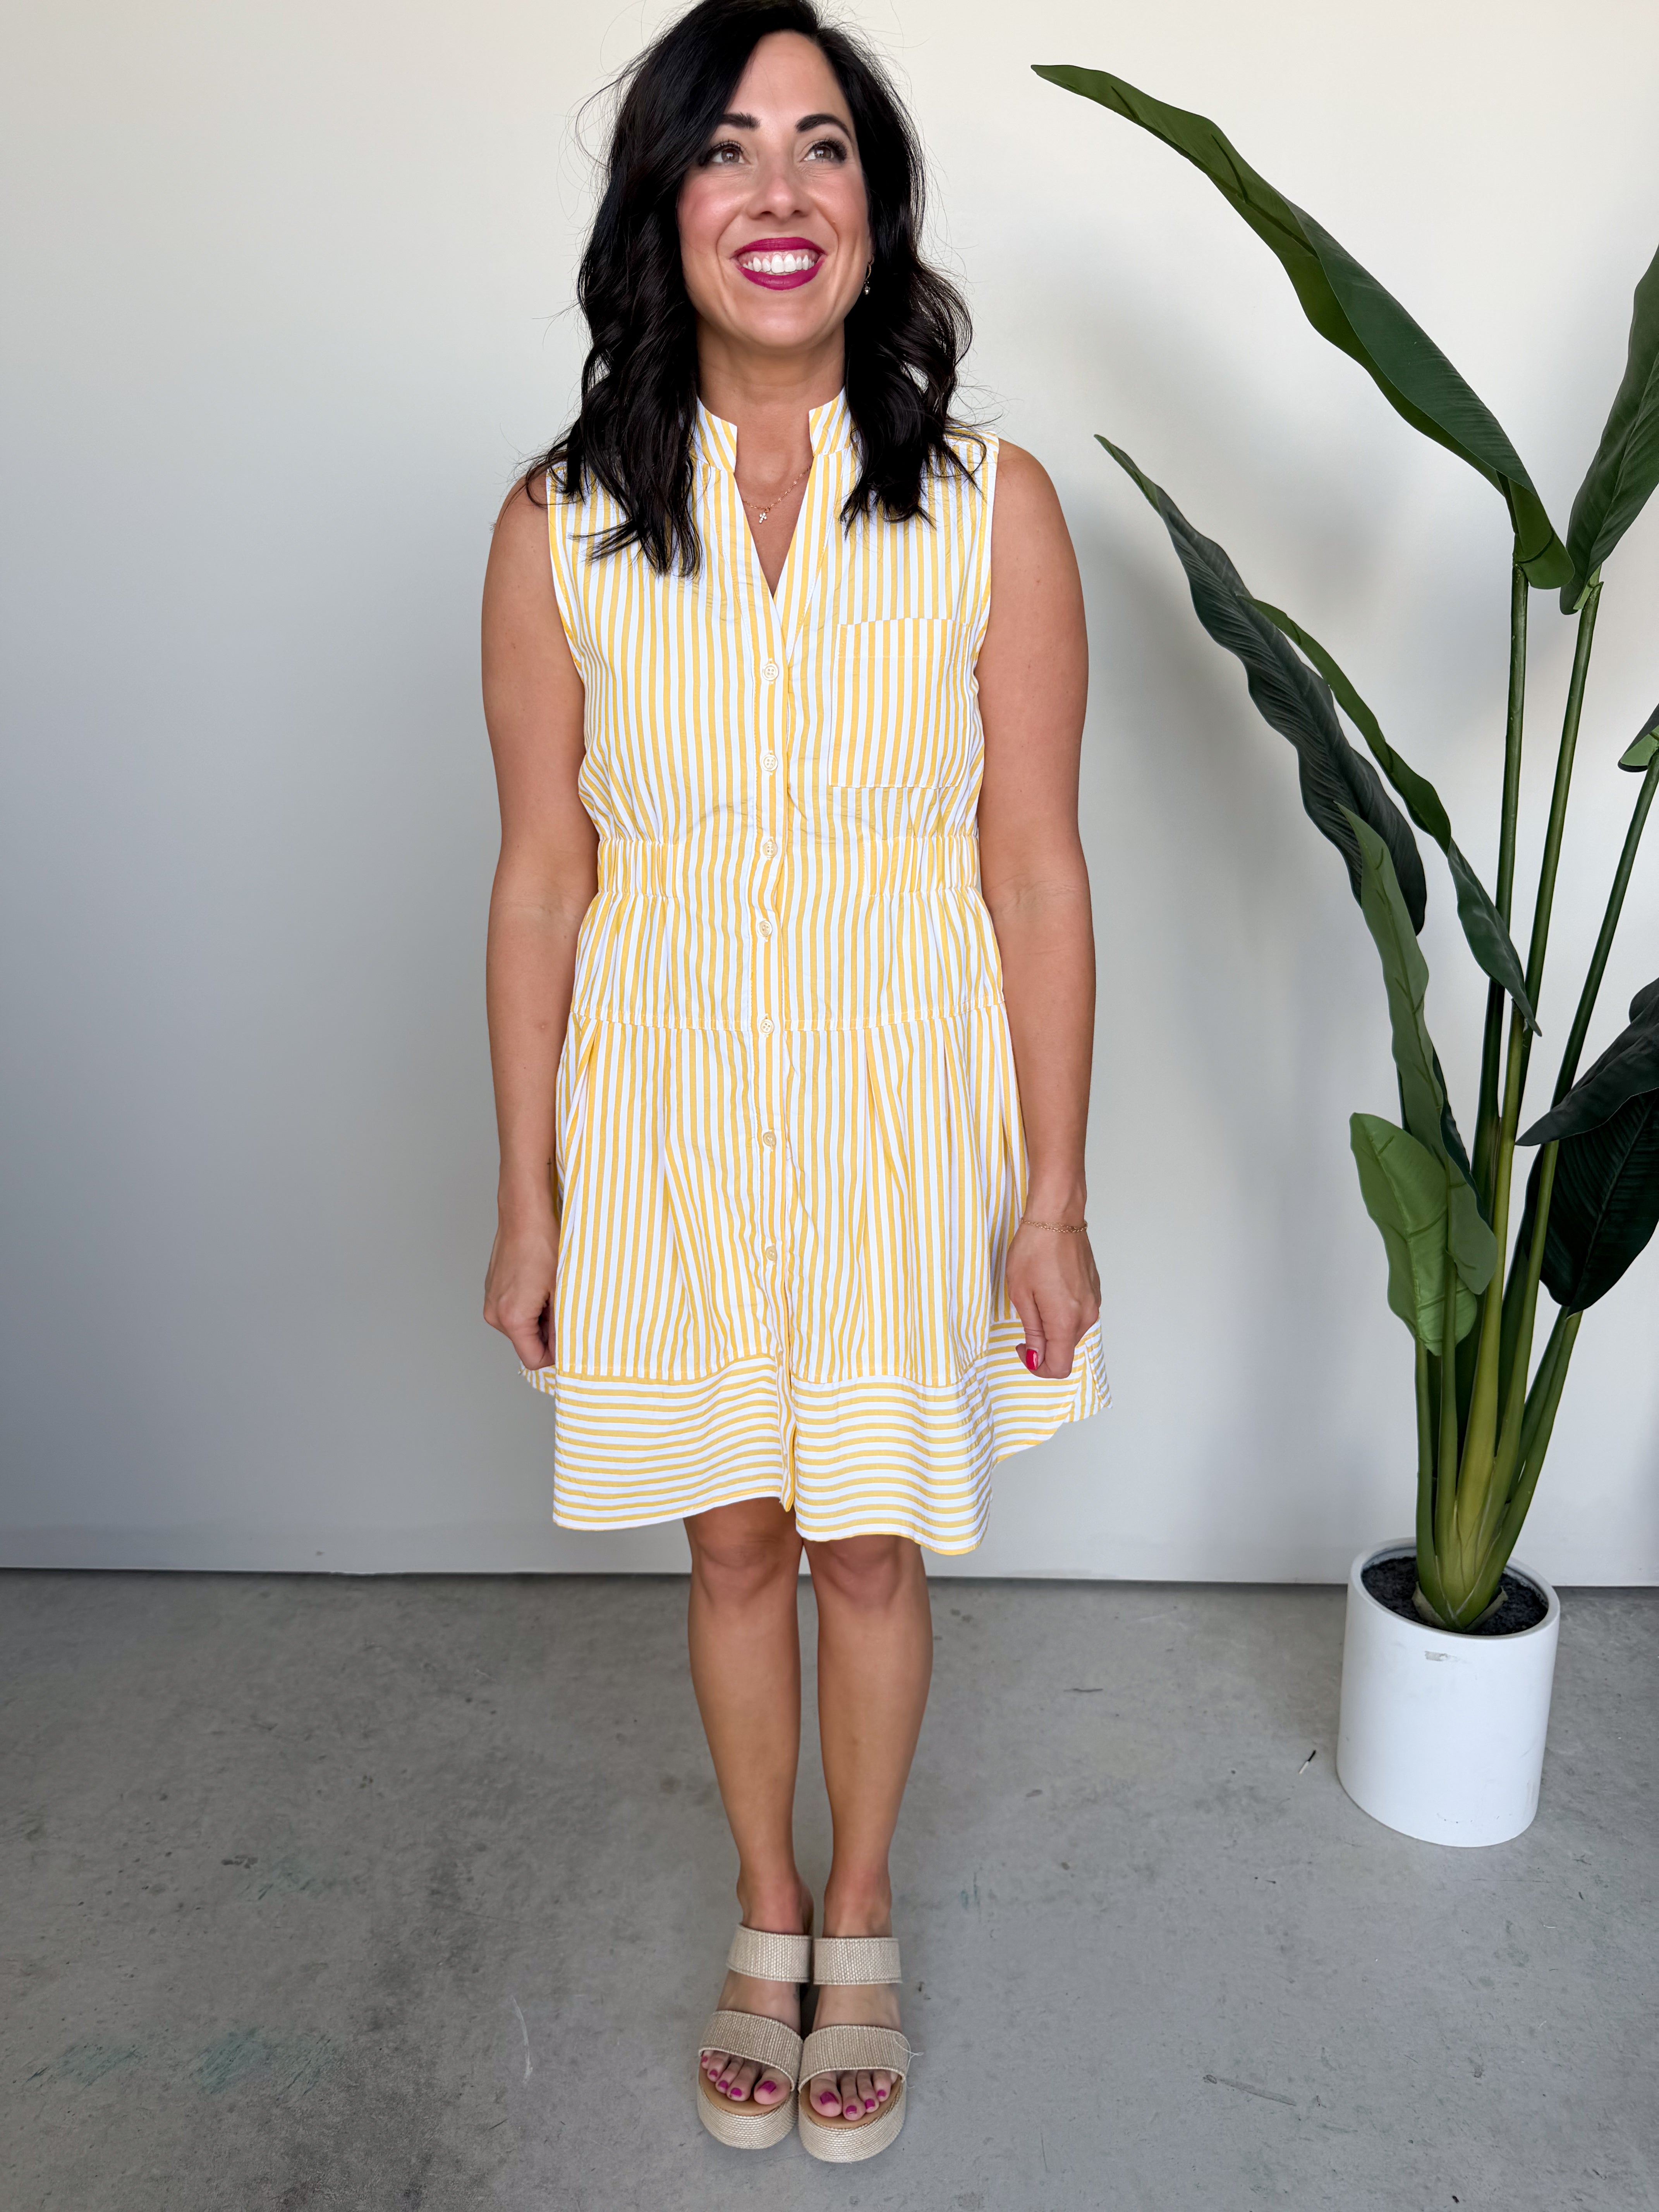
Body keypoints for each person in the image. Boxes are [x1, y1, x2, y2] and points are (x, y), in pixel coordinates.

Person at [480, 0, 1107, 2162]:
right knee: (734, 1539)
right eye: (727, 146)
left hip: (901, 1106)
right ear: (664, 206)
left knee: (867, 1547)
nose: (776, 189)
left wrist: (1054, 1198)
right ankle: (766, 1906)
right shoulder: (559, 525)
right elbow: (542, 875)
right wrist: (528, 1195)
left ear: (875, 208)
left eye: (822, 146)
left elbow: (1037, 867)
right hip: (661, 1108)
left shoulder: (996, 510)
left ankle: (863, 1912)